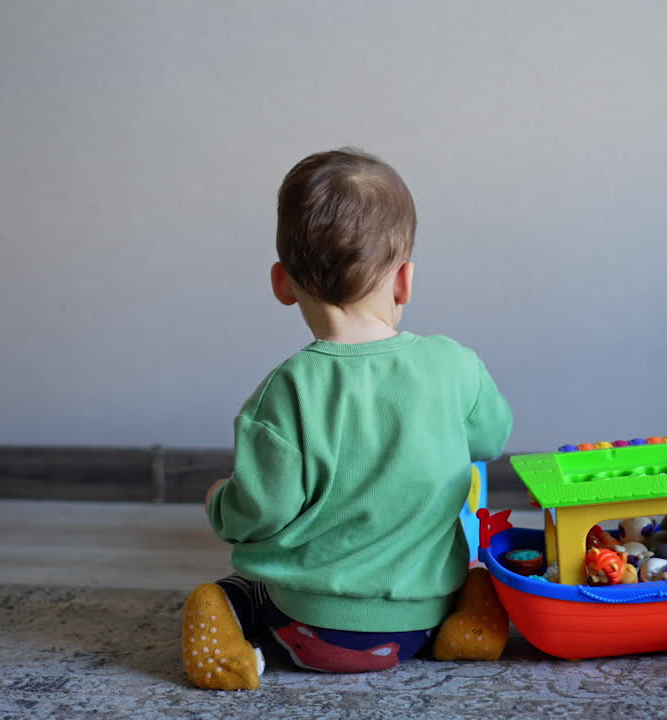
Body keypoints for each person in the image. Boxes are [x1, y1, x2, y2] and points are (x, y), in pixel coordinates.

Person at [183, 148, 514, 690]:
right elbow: (492, 438)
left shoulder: (287, 391)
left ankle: (228, 638)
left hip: (305, 628)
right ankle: (472, 618)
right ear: (404, 280)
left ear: (282, 283)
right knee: (474, 571)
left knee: (233, 591)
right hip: (420, 622)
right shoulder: (456, 365)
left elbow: (260, 511)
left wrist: (220, 502)